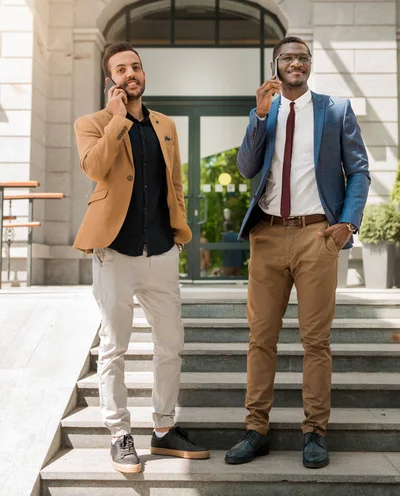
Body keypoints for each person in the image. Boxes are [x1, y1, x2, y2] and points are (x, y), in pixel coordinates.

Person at [225, 36, 370, 469]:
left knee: (316, 341)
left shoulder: (335, 111)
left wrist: (346, 225)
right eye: (288, 57)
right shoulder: (264, 112)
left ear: (310, 65)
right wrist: (259, 116)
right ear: (275, 66)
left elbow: (358, 170)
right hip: (268, 235)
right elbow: (247, 167)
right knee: (260, 338)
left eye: (303, 58)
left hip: (317, 236)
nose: (296, 63)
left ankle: (315, 432)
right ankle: (256, 430)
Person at [74, 42, 209, 473]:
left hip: (162, 251)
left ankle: (165, 429)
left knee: (170, 344)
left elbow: (175, 184)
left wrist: (179, 236)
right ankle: (119, 434)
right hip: (114, 251)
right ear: (110, 79)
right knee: (114, 346)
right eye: (121, 69)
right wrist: (117, 120)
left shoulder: (165, 125)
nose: (131, 73)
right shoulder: (91, 123)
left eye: (136, 67)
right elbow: (95, 169)